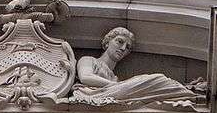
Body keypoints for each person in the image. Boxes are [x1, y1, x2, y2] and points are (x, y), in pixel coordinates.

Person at [71, 27, 200, 108]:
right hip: (100, 94)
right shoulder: (88, 60)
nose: (122, 48)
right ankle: (189, 93)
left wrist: (117, 84)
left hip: (116, 92)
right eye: (120, 41)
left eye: (127, 47)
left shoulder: (115, 77)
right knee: (158, 78)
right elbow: (85, 77)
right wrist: (114, 85)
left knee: (157, 80)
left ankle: (189, 90)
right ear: (107, 42)